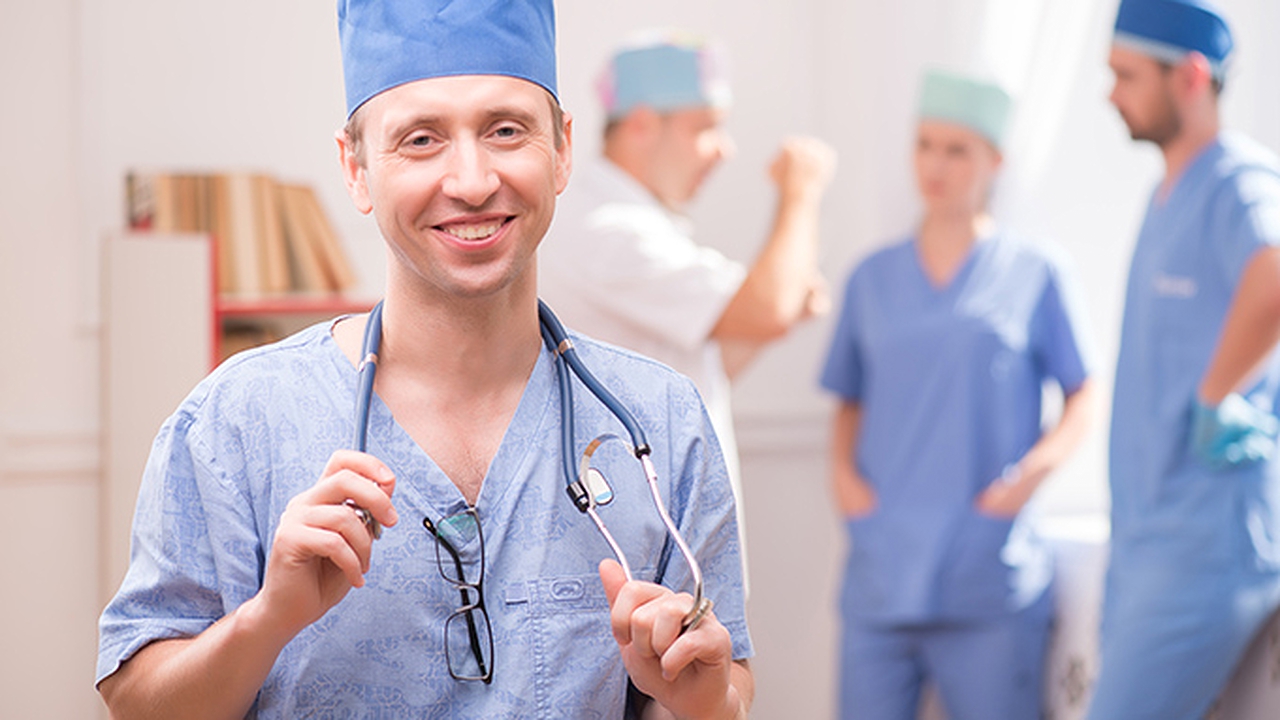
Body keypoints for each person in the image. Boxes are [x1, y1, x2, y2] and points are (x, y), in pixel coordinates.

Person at [94, 2, 754, 718]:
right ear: (356, 169)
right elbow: (137, 704)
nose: (471, 182)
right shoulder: (237, 420)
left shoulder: (659, 419)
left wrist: (703, 702)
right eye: (420, 139)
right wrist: (268, 619)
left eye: (506, 130)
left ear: (562, 149)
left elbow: (728, 684)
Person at [819, 69, 1096, 719]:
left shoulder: (1035, 272)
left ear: (995, 160)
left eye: (956, 150)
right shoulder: (871, 277)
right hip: (883, 567)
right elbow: (849, 399)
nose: (935, 165)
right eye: (924, 145)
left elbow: (1083, 394)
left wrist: (1023, 483)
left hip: (986, 571)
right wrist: (847, 485)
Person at [538, 32, 837, 569]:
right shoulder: (609, 230)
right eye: (705, 127)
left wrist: (767, 316)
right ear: (641, 125)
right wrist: (802, 191)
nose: (724, 149)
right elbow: (766, 309)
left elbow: (699, 372)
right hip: (644, 547)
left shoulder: (640, 223)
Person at [1089, 1, 1280, 717]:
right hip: (1146, 534)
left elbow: (1275, 275)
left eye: (1127, 75)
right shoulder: (1166, 195)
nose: (1111, 94)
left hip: (1204, 542)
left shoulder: (1238, 181)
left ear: (1192, 76)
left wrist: (1215, 397)